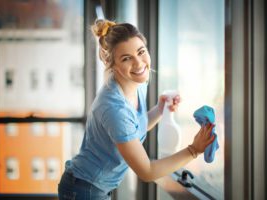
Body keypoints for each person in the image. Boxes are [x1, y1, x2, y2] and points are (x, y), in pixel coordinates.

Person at [58, 19, 215, 200]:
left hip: (92, 186)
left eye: (141, 52)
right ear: (112, 64)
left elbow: (133, 128)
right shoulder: (113, 109)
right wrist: (194, 150)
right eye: (126, 58)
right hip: (83, 190)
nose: (139, 63)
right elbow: (147, 171)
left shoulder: (136, 84)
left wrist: (160, 108)